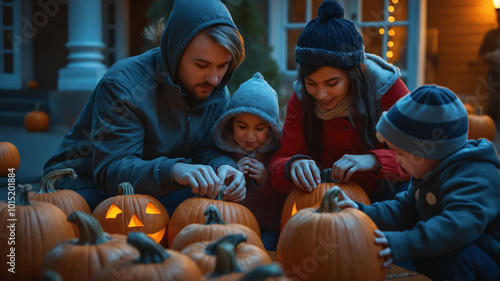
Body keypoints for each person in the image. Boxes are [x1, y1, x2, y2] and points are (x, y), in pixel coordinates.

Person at [43, 0, 246, 211]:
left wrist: (224, 167)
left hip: (154, 184)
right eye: (201, 65)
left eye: (222, 66)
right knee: (120, 219)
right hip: (83, 182)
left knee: (216, 204)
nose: (214, 79)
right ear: (174, 52)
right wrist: (174, 170)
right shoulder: (124, 86)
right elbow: (114, 171)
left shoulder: (217, 92)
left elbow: (208, 149)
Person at [337, 85, 500, 281]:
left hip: (488, 260)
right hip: (451, 253)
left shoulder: (474, 178)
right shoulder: (429, 171)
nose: (396, 160)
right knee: (426, 252)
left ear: (430, 151)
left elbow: (454, 228)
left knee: (459, 257)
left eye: (401, 153)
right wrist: (360, 212)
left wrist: (402, 243)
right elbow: (404, 209)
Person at [269, 0, 411, 200]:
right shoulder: (301, 98)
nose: (320, 94)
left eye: (332, 83)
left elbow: (419, 156)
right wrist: (291, 165)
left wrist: (374, 160)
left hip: (387, 199)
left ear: (353, 76)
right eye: (312, 83)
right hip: (327, 200)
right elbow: (278, 162)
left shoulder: (388, 89)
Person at [213, 72, 286, 250]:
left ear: (270, 129)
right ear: (230, 123)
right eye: (242, 126)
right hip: (233, 226)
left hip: (270, 227)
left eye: (260, 128)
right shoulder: (223, 154)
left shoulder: (275, 156)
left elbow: (283, 199)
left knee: (268, 249)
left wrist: (264, 180)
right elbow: (216, 196)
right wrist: (231, 172)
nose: (250, 136)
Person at [478, 7, 500, 124]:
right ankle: (493, 125)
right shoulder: (491, 35)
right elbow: (481, 55)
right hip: (494, 73)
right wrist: (492, 56)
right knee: (493, 102)